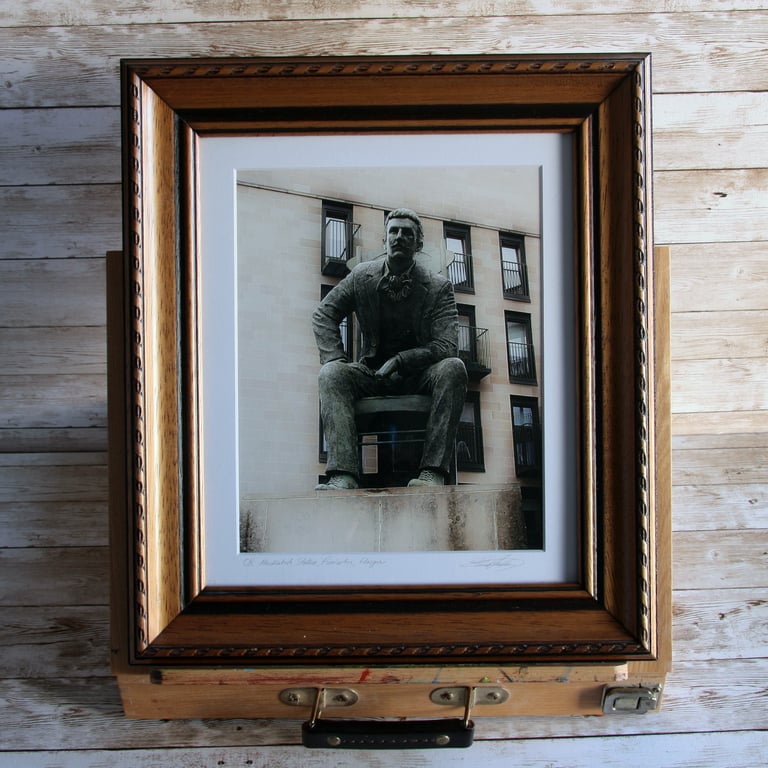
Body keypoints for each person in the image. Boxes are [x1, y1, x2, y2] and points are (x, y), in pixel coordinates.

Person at [313, 207, 468, 490]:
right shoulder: (361, 277)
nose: (399, 237)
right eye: (393, 231)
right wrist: (337, 358)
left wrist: (401, 360)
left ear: (418, 243)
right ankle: (343, 474)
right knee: (331, 374)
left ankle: (432, 472)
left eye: (407, 233)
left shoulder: (438, 287)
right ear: (385, 239)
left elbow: (447, 346)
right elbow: (324, 314)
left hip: (419, 377)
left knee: (454, 368)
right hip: (372, 376)